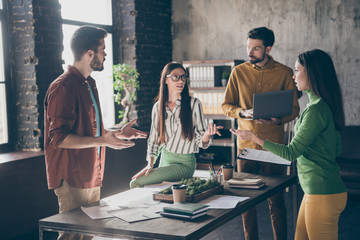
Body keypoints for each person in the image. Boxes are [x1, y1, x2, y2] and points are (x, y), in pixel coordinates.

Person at [230, 49, 347, 240]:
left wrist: (254, 137)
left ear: (311, 74)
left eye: (297, 70)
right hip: (318, 192)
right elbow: (336, 148)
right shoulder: (322, 106)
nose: (293, 76)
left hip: (322, 193)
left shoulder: (315, 110)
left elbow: (291, 152)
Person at [44, 25, 147, 240]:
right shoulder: (63, 87)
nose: (105, 54)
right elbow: (58, 138)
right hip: (72, 176)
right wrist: (102, 139)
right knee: (72, 236)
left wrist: (117, 133)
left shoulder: (88, 83)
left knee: (88, 235)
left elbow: (88, 130)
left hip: (91, 172)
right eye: (103, 49)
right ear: (89, 54)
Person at [222, 27, 300, 240]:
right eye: (249, 47)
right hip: (245, 148)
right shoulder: (238, 72)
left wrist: (278, 120)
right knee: (246, 202)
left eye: (256, 48)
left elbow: (294, 110)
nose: (251, 52)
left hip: (273, 147)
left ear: (268, 48)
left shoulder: (284, 73)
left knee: (276, 201)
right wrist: (242, 112)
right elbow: (226, 105)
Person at [130, 62, 222, 188]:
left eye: (183, 77)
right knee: (159, 194)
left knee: (135, 182)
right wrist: (150, 164)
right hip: (165, 159)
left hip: (185, 164)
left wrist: (207, 134)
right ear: (166, 80)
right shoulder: (158, 107)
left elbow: (201, 142)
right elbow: (154, 140)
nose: (181, 80)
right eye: (175, 77)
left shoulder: (194, 104)